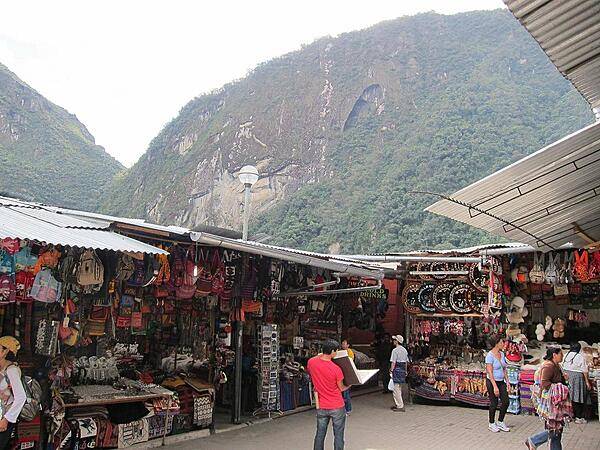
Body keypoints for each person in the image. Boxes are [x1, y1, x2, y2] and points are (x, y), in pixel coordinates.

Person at [307, 340, 349, 450]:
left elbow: (318, 357)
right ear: (332, 351)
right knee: (338, 435)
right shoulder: (336, 369)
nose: (337, 353)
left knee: (320, 434)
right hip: (336, 405)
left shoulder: (311, 362)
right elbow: (341, 388)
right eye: (336, 351)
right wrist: (350, 385)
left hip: (321, 405)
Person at [536, 347, 568, 450]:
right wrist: (559, 387)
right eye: (560, 354)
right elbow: (544, 383)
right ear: (554, 355)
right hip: (551, 402)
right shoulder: (549, 366)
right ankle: (533, 440)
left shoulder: (557, 366)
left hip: (556, 402)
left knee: (557, 430)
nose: (562, 356)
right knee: (555, 430)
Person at [0, 336, 26, 450]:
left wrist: (6, 419)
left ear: (5, 351)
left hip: (3, 418)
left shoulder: (11, 370)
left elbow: (21, 397)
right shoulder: (1, 368)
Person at [561, 342, 592, 423]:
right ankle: (578, 417)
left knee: (569, 396)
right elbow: (585, 370)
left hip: (567, 376)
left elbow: (562, 366)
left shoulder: (566, 355)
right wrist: (587, 382)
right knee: (578, 397)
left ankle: (570, 415)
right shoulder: (580, 356)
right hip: (577, 377)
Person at [485, 335, 510, 432]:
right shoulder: (489, 356)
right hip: (492, 382)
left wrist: (507, 382)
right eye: (501, 342)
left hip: (501, 381)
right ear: (496, 344)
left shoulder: (502, 354)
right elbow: (490, 372)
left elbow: (504, 369)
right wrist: (495, 386)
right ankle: (491, 423)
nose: (503, 344)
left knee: (506, 401)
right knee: (494, 403)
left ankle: (500, 421)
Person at [389, 335, 409, 412]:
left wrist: (391, 370)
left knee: (396, 388)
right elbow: (406, 362)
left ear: (397, 341)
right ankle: (398, 404)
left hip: (397, 369)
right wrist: (406, 370)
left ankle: (400, 405)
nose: (393, 341)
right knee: (399, 387)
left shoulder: (395, 350)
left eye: (394, 340)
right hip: (402, 369)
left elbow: (393, 362)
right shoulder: (404, 350)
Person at [340, 339, 353, 415]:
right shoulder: (341, 351)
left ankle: (348, 409)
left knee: (346, 393)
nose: (343, 345)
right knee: (343, 393)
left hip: (347, 374)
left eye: (344, 344)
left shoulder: (349, 352)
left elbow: (349, 362)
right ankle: (344, 409)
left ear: (348, 345)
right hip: (342, 374)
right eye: (342, 343)